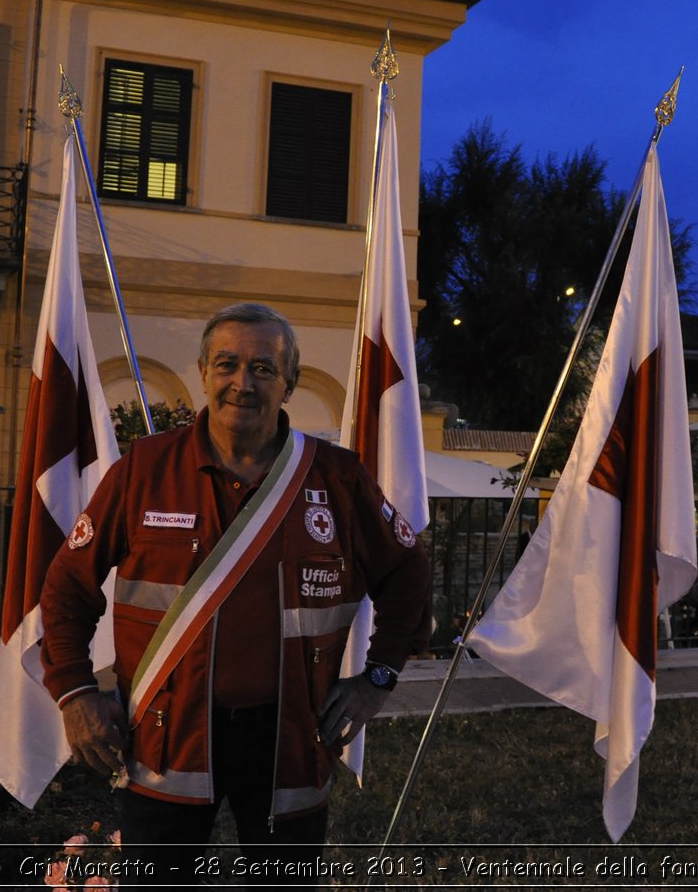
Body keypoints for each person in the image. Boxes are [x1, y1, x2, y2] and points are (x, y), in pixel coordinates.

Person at [40, 303, 431, 884]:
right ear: (202, 371)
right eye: (227, 364)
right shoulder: (143, 471)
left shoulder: (337, 478)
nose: (242, 383)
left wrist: (378, 678)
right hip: (165, 736)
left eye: (263, 368)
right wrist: (74, 690)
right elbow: (66, 588)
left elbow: (409, 575)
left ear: (289, 382)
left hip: (291, 738)